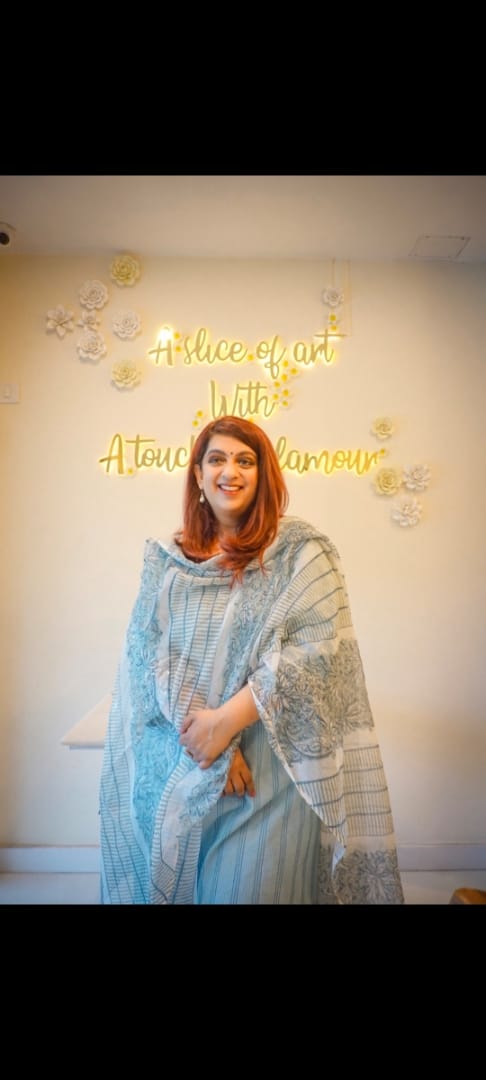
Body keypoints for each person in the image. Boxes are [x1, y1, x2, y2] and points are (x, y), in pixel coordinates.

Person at [99, 415, 404, 904]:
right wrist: (216, 744)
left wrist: (228, 722)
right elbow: (152, 654)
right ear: (198, 474)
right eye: (217, 459)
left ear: (264, 475)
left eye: (245, 460)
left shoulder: (300, 554)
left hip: (271, 765)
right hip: (190, 755)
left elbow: (314, 653)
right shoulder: (167, 561)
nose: (231, 471)